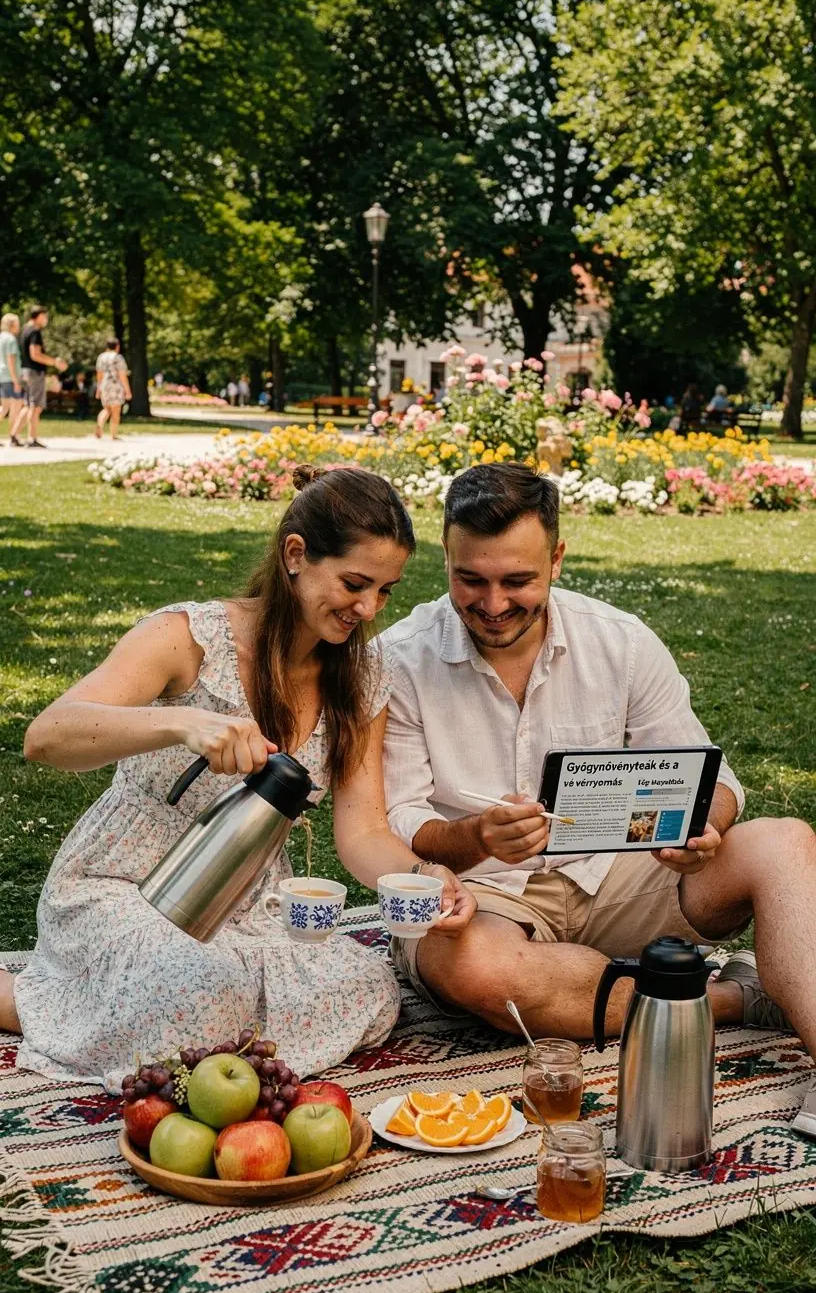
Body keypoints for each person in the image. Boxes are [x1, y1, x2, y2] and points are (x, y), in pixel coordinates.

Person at [1, 466, 474, 1089]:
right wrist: (181, 725)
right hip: (127, 882)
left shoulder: (360, 678)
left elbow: (362, 830)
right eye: (355, 583)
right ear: (296, 555)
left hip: (249, 898)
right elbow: (48, 736)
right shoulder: (187, 638)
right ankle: (27, 999)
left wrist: (424, 876)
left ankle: (144, 1009)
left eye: (385, 591)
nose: (368, 609)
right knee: (193, 989)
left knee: (367, 986)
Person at [379, 462, 816, 1060]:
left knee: (785, 841)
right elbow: (398, 817)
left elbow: (712, 777)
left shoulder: (621, 641)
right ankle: (727, 1002)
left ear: (557, 559)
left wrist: (701, 825)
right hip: (486, 897)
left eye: (518, 580)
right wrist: (475, 836)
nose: (494, 603)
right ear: (447, 559)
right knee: (478, 970)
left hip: (619, 877)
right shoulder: (399, 659)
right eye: (470, 579)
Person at [20, 305, 67, 448]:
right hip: (34, 372)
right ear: (39, 316)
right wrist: (55, 362)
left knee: (29, 405)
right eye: (45, 316)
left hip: (25, 371)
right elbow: (35, 354)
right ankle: (32, 438)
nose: (46, 319)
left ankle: (15, 435)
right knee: (35, 406)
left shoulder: (24, 330)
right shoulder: (35, 332)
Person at [94, 338, 132, 440]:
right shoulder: (118, 358)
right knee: (116, 410)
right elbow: (122, 375)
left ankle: (100, 424)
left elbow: (99, 374)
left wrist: (99, 388)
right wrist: (128, 391)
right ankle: (113, 434)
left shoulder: (101, 357)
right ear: (117, 346)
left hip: (105, 384)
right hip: (116, 385)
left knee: (106, 408)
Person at [0, 313, 26, 446]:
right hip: (10, 376)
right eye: (17, 323)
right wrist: (16, 381)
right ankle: (13, 436)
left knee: (4, 407)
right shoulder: (10, 339)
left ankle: (13, 436)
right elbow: (11, 360)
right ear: (12, 325)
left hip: (2, 375)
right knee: (16, 406)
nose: (19, 326)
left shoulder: (1, 337)